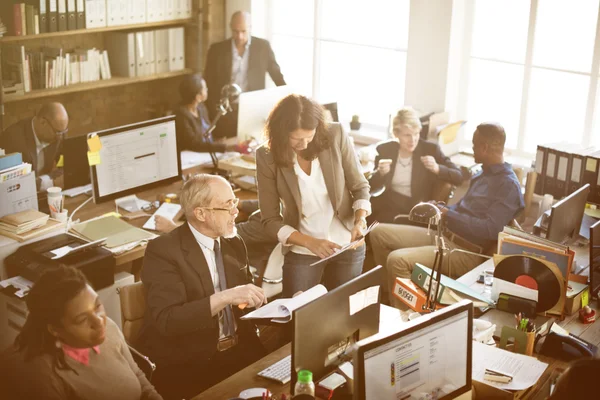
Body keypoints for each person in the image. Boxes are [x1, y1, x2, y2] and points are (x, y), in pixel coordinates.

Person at [136, 174, 267, 400]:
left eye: (234, 203)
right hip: (192, 361)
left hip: (239, 350)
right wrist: (226, 297)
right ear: (201, 214)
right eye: (227, 206)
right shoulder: (163, 251)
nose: (235, 211)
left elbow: (246, 302)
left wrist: (286, 305)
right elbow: (168, 320)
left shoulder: (232, 241)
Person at [370, 122, 524, 309]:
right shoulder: (483, 173)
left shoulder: (507, 186)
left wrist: (448, 215)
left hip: (467, 252)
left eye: (474, 144)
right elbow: (464, 208)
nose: (472, 148)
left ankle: (404, 320)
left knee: (397, 260)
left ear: (485, 147)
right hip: (445, 236)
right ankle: (390, 299)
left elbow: (490, 229)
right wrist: (441, 208)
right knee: (378, 233)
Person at [256, 94, 371, 297]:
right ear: (282, 133)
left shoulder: (335, 134)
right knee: (298, 316)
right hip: (303, 249)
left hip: (346, 243)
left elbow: (360, 186)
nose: (305, 143)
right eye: (297, 139)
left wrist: (360, 221)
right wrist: (310, 242)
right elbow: (270, 220)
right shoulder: (267, 155)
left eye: (309, 136)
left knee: (342, 313)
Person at [0, 265, 162, 400]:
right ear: (55, 330)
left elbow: (139, 378)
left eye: (97, 306)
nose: (99, 321)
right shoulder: (40, 376)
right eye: (82, 319)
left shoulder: (108, 329)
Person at [368, 107, 463, 223]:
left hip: (413, 209)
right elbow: (371, 187)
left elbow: (459, 176)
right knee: (361, 211)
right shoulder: (385, 149)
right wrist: (380, 173)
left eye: (416, 133)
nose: (413, 140)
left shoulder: (430, 150)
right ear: (396, 134)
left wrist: (437, 168)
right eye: (407, 135)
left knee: (374, 222)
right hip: (387, 203)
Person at [204, 11, 285, 139]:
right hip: (224, 111)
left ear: (250, 28)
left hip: (252, 109)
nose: (240, 36)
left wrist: (288, 99)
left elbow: (277, 76)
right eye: (236, 31)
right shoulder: (216, 50)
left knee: (250, 146)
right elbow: (207, 82)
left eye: (243, 31)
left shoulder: (263, 47)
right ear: (230, 28)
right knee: (227, 150)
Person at [174, 74, 251, 155]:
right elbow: (194, 144)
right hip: (195, 156)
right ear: (198, 96)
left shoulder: (201, 108)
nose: (207, 90)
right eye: (204, 88)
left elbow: (207, 134)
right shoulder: (181, 116)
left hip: (208, 153)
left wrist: (218, 141)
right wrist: (226, 147)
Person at [0, 102, 68, 191]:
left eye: (64, 132)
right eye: (58, 132)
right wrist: (48, 181)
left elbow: (67, 168)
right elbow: (15, 184)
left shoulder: (56, 135)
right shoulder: (13, 139)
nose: (60, 137)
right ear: (43, 122)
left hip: (46, 195)